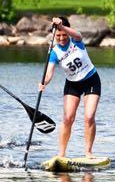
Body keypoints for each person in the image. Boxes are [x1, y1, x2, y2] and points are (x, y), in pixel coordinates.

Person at [39, 16, 101, 159]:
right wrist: (44, 82)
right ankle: (61, 153)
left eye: (64, 34)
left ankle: (88, 152)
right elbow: (49, 73)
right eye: (58, 35)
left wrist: (61, 26)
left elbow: (77, 34)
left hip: (91, 80)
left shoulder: (76, 40)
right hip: (72, 85)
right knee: (68, 118)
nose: (61, 38)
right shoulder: (54, 52)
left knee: (89, 117)